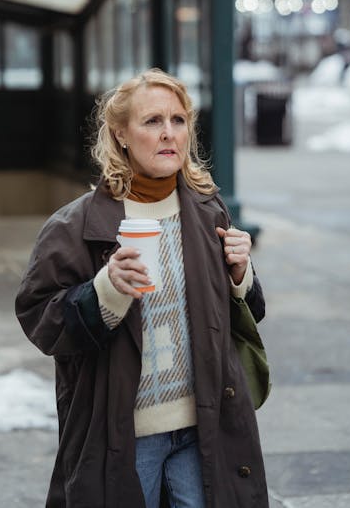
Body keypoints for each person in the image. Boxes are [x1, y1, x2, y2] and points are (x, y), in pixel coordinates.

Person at [15, 68, 268, 508]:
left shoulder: (209, 211)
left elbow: (246, 315)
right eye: (152, 121)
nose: (169, 133)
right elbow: (41, 320)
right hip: (124, 435)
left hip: (203, 427)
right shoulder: (75, 226)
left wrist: (241, 273)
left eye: (178, 120)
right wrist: (106, 290)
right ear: (121, 135)